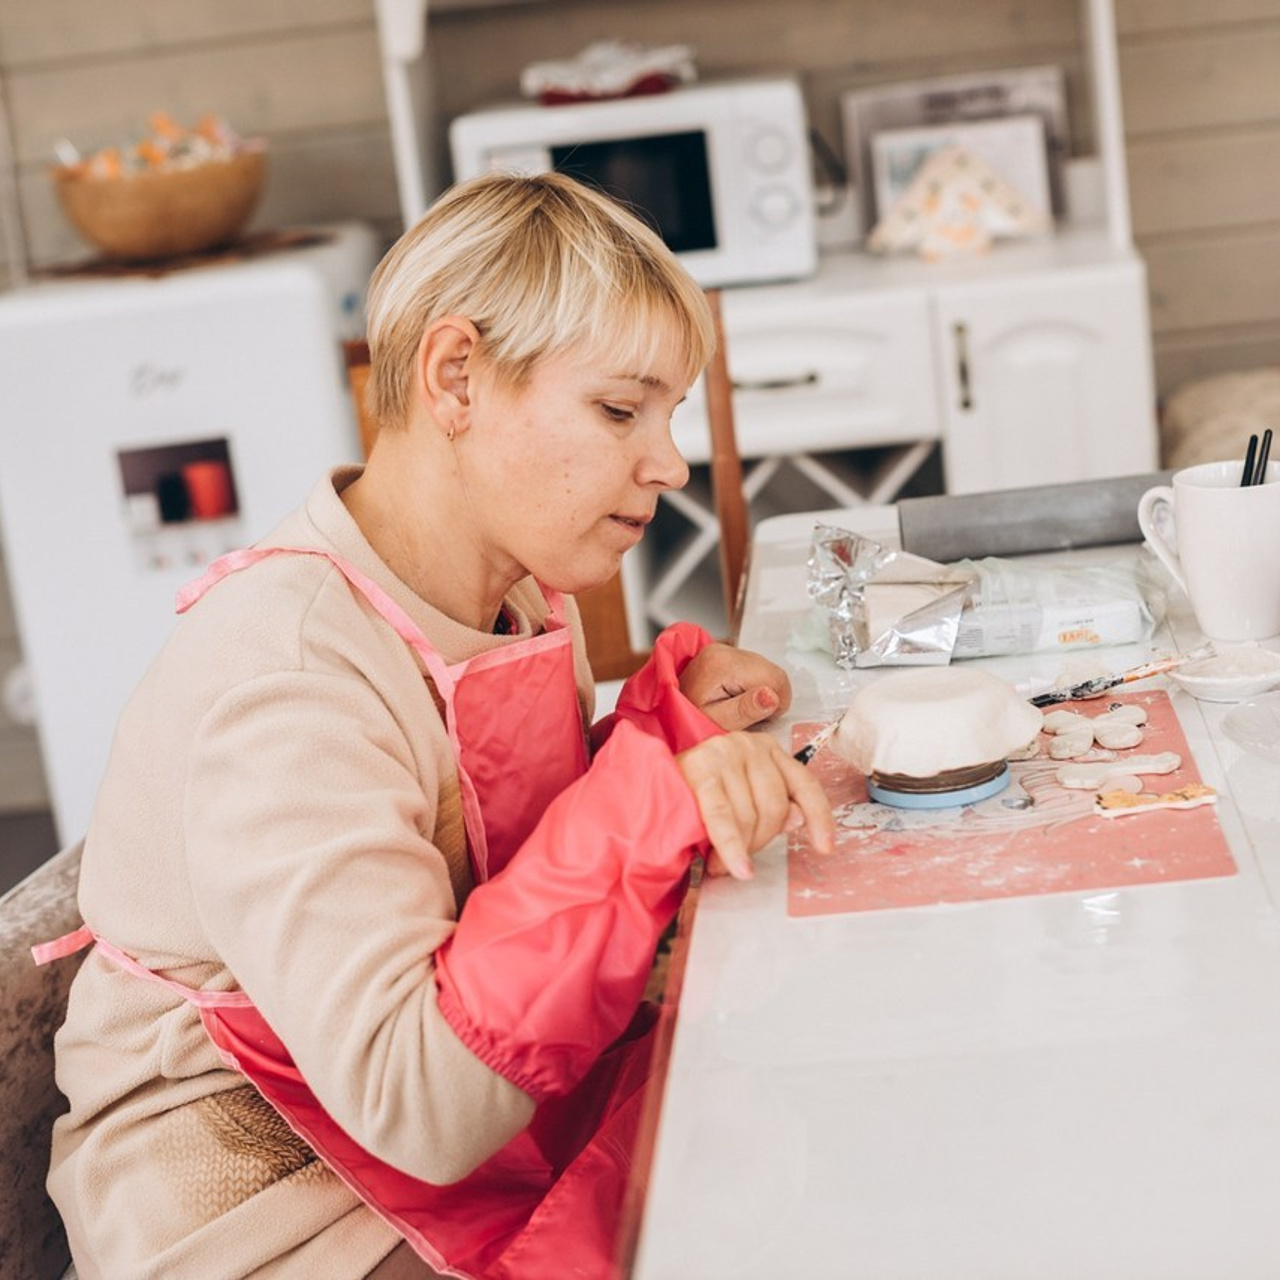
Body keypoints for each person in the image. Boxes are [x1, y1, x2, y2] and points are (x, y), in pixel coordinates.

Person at [39, 171, 835, 1279]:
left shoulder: (501, 593)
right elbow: (422, 1100)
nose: (669, 463)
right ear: (456, 375)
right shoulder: (291, 676)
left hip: (432, 1145)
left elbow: (498, 862)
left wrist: (663, 739)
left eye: (670, 415)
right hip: (274, 1209)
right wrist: (640, 802)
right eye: (619, 409)